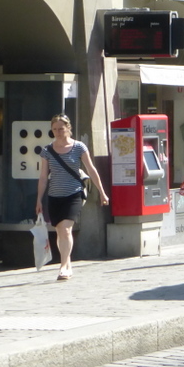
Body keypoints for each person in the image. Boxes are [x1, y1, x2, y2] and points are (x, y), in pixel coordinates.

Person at [34, 114, 109, 281]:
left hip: (73, 194)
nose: (58, 132)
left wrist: (102, 192)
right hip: (54, 196)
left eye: (61, 129)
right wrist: (39, 199)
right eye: (54, 129)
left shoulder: (79, 147)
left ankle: (64, 266)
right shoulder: (47, 150)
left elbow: (91, 170)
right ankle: (67, 263)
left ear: (68, 128)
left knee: (66, 229)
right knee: (60, 232)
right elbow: (43, 177)